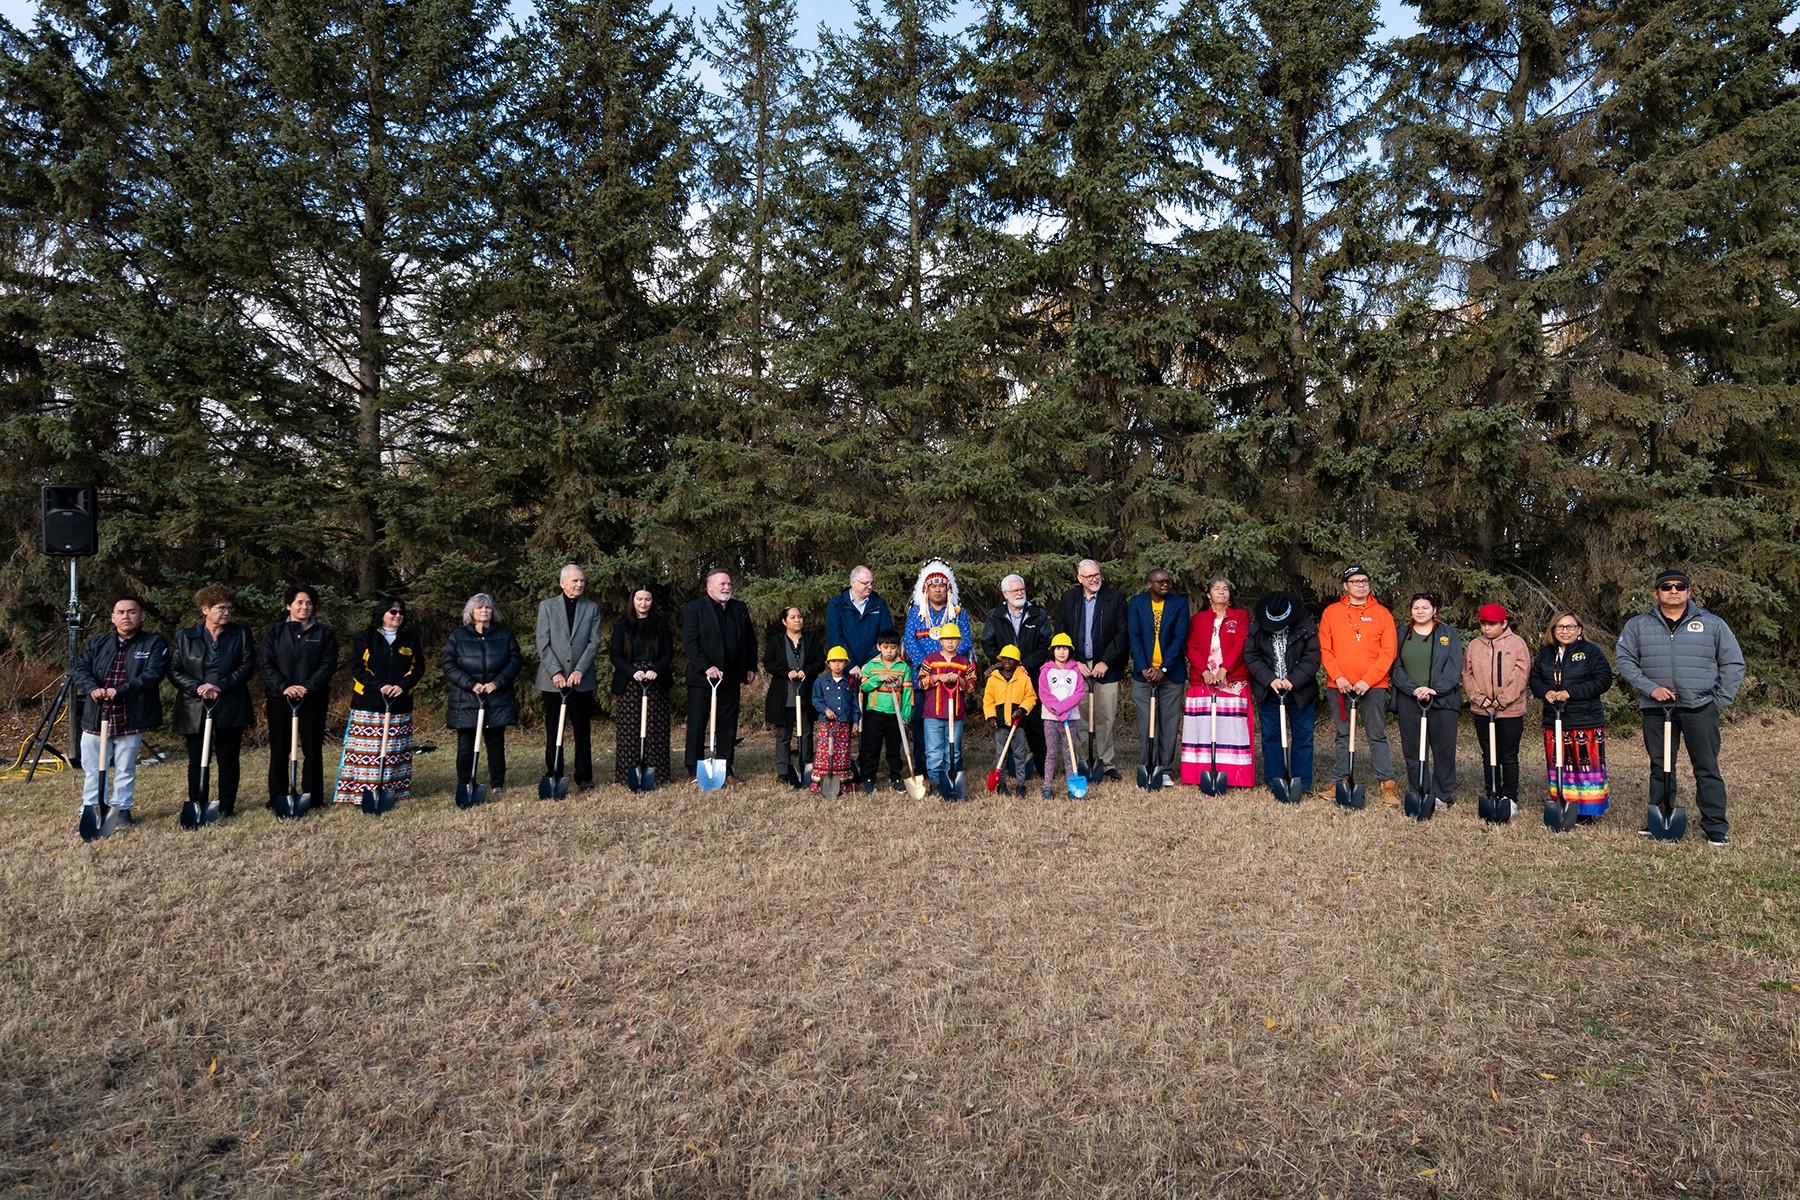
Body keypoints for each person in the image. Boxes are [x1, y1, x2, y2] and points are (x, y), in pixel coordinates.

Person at [1614, 570, 1745, 845]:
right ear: (1656, 593)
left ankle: (1715, 826)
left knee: (1706, 767)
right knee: (1661, 766)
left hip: (1700, 708)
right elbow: (1624, 660)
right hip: (1656, 709)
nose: (1673, 591)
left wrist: (1720, 702)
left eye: (1679, 586)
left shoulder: (1712, 623)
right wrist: (1651, 688)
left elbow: (1733, 664)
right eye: (1666, 587)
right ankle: (1660, 818)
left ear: (1688, 591)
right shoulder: (1638, 625)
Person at [70, 595, 168, 827]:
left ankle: (121, 808)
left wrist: (121, 690)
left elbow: (153, 675)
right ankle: (91, 808)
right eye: (121, 612)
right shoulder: (97, 643)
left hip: (131, 714)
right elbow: (79, 669)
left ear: (142, 616)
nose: (126, 616)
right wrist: (93, 688)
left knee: (124, 767)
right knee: (93, 767)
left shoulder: (153, 643)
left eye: (132, 612)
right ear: (113, 617)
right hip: (97, 714)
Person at [170, 585, 257, 820]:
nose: (227, 612)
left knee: (228, 757)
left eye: (230, 608)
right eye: (221, 608)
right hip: (194, 705)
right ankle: (198, 803)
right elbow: (174, 669)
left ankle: (227, 806)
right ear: (205, 609)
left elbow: (247, 666)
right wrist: (197, 687)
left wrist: (221, 686)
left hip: (230, 703)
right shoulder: (185, 636)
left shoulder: (241, 633)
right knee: (197, 758)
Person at [1318, 565, 1398, 804]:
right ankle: (1339, 780)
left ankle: (1388, 783)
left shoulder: (1382, 613)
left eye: (1364, 581)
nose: (1361, 585)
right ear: (1345, 586)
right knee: (1343, 734)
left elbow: (1388, 651)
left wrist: (1367, 680)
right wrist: (1338, 676)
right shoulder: (1331, 612)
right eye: (1355, 581)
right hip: (1339, 684)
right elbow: (1324, 648)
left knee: (1377, 734)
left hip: (1373, 685)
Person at [1528, 611, 1615, 825]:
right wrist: (1545, 691)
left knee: (1585, 767)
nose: (1564, 631)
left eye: (1569, 626)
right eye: (1559, 627)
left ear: (1580, 629)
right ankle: (1563, 804)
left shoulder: (1590, 652)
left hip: (1585, 720)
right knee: (1561, 766)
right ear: (1553, 630)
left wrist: (1570, 693)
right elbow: (1535, 678)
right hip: (1555, 720)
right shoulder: (1547, 653)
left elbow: (1603, 679)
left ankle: (1587, 811)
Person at [335, 596, 423, 806]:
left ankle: (394, 791)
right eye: (393, 612)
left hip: (399, 704)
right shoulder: (365, 638)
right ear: (381, 613)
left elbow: (418, 667)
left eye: (401, 612)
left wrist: (402, 686)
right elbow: (357, 667)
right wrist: (379, 686)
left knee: (394, 750)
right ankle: (361, 794)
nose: (398, 615)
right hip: (369, 704)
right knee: (368, 752)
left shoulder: (410, 639)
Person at [258, 585, 338, 810]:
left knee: (312, 749)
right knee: (280, 749)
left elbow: (327, 665)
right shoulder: (274, 633)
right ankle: (277, 797)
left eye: (309, 603)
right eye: (300, 602)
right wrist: (285, 687)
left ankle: (312, 798)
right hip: (279, 699)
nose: (305, 607)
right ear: (288, 606)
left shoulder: (323, 634)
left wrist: (308, 687)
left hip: (312, 698)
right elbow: (266, 665)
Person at [443, 594, 524, 800]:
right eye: (479, 608)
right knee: (466, 745)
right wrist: (472, 685)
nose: (484, 611)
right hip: (467, 698)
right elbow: (449, 665)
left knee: (496, 744)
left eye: (488, 607)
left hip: (496, 697)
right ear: (471, 612)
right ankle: (465, 782)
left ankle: (497, 783)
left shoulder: (504, 635)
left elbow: (515, 661)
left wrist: (497, 683)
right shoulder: (458, 637)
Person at [1054, 559, 1129, 781]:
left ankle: (1106, 763)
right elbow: (1061, 631)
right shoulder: (1069, 599)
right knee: (1080, 717)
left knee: (1105, 718)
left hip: (1107, 667)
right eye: (1089, 576)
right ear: (1079, 579)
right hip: (1077, 667)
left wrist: (1105, 661)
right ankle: (1083, 762)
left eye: (1097, 574)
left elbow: (1122, 634)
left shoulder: (1115, 598)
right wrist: (1074, 662)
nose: (1095, 579)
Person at [681, 570, 758, 784]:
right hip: (702, 679)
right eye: (722, 583)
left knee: (728, 724)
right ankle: (694, 770)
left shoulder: (740, 608)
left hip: (731, 677)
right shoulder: (694, 608)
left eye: (729, 583)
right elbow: (690, 642)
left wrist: (750, 667)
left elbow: (750, 640)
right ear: (709, 587)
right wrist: (707, 667)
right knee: (697, 724)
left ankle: (726, 769)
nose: (727, 587)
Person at [1390, 593, 1464, 811]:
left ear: (1435, 610)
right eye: (1415, 607)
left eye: (1425, 607)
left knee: (1443, 750)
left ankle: (1442, 795)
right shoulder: (1402, 634)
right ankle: (1418, 791)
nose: (1420, 611)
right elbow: (1394, 666)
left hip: (1442, 701)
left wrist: (1435, 689)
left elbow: (1454, 664)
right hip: (1410, 700)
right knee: (1413, 750)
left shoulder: (1448, 634)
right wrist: (1413, 689)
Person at [1244, 591, 1321, 799]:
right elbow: (1251, 656)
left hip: (1300, 691)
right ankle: (1273, 780)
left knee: (1303, 738)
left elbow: (1312, 658)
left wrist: (1292, 681)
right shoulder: (1256, 628)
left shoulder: (1306, 627)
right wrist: (1270, 679)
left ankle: (1302, 782)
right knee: (1271, 737)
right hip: (1269, 691)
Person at [535, 564, 603, 793]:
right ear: (562, 582)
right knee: (554, 728)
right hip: (553, 681)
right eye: (575, 581)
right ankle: (554, 771)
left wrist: (579, 670)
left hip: (581, 680)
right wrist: (555, 671)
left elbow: (594, 642)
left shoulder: (591, 608)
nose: (580, 584)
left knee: (582, 728)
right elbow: (542, 643)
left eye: (582, 580)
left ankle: (584, 776)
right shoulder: (547, 607)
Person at [1181, 576, 1254, 789]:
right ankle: (1198, 773)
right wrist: (1204, 672)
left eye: (1225, 589)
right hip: (1203, 682)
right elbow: (1191, 647)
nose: (1222, 592)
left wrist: (1223, 670)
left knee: (1232, 728)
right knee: (1203, 729)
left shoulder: (1240, 616)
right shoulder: (1198, 619)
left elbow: (1241, 644)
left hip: (1232, 680)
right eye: (1216, 588)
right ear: (1208, 595)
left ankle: (1235, 775)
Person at [981, 574, 1053, 780]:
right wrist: (1005, 664)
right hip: (1004, 678)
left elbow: (1046, 643)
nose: (1020, 593)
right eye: (1015, 591)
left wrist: (1027, 665)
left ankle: (1042, 767)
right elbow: (987, 642)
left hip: (1031, 675)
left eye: (1022, 589)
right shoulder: (995, 615)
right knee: (1007, 722)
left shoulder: (1037, 614)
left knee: (1033, 725)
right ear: (1005, 594)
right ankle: (1012, 769)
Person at [1463, 603, 1531, 815]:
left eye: (1492, 624)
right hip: (1483, 711)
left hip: (1510, 711)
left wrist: (1503, 700)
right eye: (1483, 624)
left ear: (1504, 623)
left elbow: (1521, 675)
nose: (1487, 628)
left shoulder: (1517, 644)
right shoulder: (1475, 645)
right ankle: (1492, 791)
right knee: (1488, 754)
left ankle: (1510, 797)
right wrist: (1479, 699)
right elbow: (1467, 674)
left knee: (1508, 755)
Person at [904, 560, 973, 768]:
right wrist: (930, 664)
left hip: (952, 677)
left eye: (941, 585)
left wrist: (948, 664)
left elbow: (966, 641)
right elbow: (909, 640)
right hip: (923, 677)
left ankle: (951, 763)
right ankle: (924, 764)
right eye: (933, 586)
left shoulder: (958, 613)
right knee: (920, 721)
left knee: (951, 719)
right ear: (925, 589)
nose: (937, 589)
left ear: (948, 588)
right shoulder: (916, 613)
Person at [1127, 568, 1188, 784]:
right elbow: (1133, 635)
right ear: (1149, 584)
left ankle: (1164, 770)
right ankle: (1148, 767)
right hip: (1143, 675)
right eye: (1160, 581)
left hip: (1171, 676)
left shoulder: (1179, 604)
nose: (1165, 584)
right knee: (1146, 723)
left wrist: (1163, 668)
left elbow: (1179, 637)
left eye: (1167, 580)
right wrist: (1143, 667)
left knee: (1169, 723)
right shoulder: (1137, 603)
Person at [610, 584, 674, 786]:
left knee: (656, 728)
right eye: (639, 599)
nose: (643, 603)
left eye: (647, 599)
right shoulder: (622, 624)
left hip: (655, 679)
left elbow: (668, 652)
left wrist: (656, 669)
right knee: (629, 729)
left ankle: (658, 773)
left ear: (652, 601)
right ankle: (628, 773)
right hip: (630, 681)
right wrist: (632, 672)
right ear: (633, 601)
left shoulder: (660, 623)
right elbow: (615, 655)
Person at [763, 605, 825, 782]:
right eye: (792, 617)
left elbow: (820, 662)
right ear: (784, 621)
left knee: (806, 732)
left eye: (799, 616)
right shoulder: (776, 641)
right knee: (784, 734)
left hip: (806, 693)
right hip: (784, 695)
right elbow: (768, 663)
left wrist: (808, 670)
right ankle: (783, 772)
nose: (798, 620)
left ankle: (806, 766)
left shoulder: (811, 640)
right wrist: (786, 672)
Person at [918, 624, 976, 798]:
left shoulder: (964, 662)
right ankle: (935, 782)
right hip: (933, 713)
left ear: (959, 641)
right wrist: (936, 678)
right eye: (946, 639)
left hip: (955, 714)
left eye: (954, 639)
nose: (950, 642)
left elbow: (972, 686)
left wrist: (959, 679)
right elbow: (921, 682)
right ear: (940, 640)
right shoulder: (931, 659)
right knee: (934, 750)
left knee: (953, 750)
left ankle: (950, 778)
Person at [858, 629, 915, 791]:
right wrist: (879, 678)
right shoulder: (871, 665)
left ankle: (895, 778)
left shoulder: (903, 667)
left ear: (898, 648)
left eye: (893, 647)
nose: (889, 651)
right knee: (872, 748)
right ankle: (869, 780)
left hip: (895, 715)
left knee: (894, 749)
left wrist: (904, 717)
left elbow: (907, 694)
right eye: (885, 647)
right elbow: (864, 686)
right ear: (879, 647)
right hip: (876, 713)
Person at [1037, 632, 1087, 800]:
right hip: (1050, 720)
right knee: (1051, 753)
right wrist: (1058, 710)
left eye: (1065, 648)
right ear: (1053, 650)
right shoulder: (1046, 671)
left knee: (1069, 753)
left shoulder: (1075, 672)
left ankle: (1071, 785)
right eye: (1058, 648)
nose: (1061, 652)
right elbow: (1044, 694)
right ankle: (1047, 786)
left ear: (1070, 651)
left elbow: (1079, 693)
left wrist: (1064, 709)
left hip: (1069, 720)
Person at [982, 644, 1038, 794]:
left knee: (1019, 754)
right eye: (1005, 658)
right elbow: (988, 700)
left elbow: (1031, 697)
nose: (1007, 661)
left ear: (1017, 662)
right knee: (1001, 755)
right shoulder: (993, 679)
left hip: (1017, 724)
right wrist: (991, 716)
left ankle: (1020, 784)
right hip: (1001, 724)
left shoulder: (1024, 679)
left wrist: (1022, 709)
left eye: (1011, 659)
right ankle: (1001, 785)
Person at [824, 566, 893, 679]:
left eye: (871, 583)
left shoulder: (880, 604)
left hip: (874, 669)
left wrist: (871, 662)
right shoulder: (836, 604)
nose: (870, 587)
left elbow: (884, 635)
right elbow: (834, 636)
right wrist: (849, 664)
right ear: (853, 583)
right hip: (846, 670)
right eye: (865, 583)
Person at [810, 647, 861, 795]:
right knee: (825, 753)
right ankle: (821, 783)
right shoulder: (820, 682)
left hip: (844, 723)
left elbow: (854, 704)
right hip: (827, 724)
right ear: (828, 664)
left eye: (840, 661)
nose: (837, 664)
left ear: (846, 663)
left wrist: (856, 721)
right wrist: (826, 710)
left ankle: (843, 785)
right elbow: (816, 699)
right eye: (833, 661)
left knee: (843, 753)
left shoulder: (850, 683)